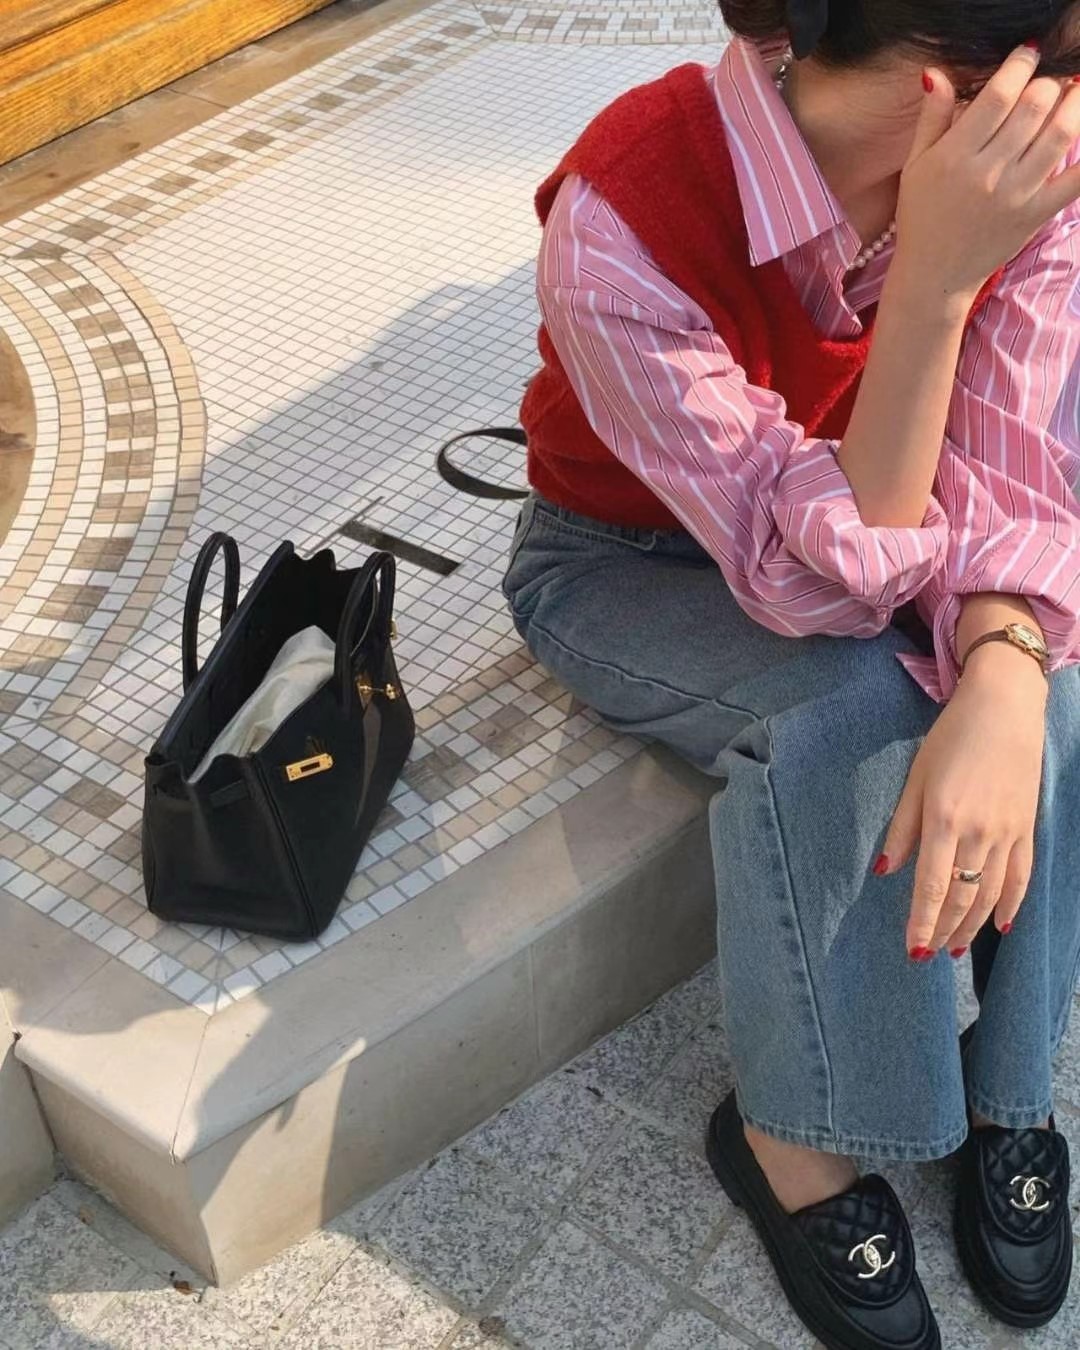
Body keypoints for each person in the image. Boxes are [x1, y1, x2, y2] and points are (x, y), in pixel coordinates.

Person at [501, 3, 1080, 1346]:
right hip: (628, 559)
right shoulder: (623, 221)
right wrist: (933, 283)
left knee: (1046, 684)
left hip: (877, 504)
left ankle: (1010, 1087)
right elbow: (815, 588)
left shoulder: (1027, 173)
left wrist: (1005, 667)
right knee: (863, 707)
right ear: (955, 90)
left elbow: (1009, 465)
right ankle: (790, 1140)